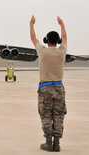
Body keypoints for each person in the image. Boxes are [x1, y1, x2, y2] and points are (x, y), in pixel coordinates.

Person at [30, 16, 67, 152]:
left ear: (46, 40)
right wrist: (62, 24)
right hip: (59, 87)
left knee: (46, 114)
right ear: (57, 41)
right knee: (58, 114)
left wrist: (31, 24)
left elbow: (33, 38)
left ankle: (48, 142)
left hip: (44, 87)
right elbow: (65, 37)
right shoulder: (62, 51)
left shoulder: (43, 51)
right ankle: (57, 143)